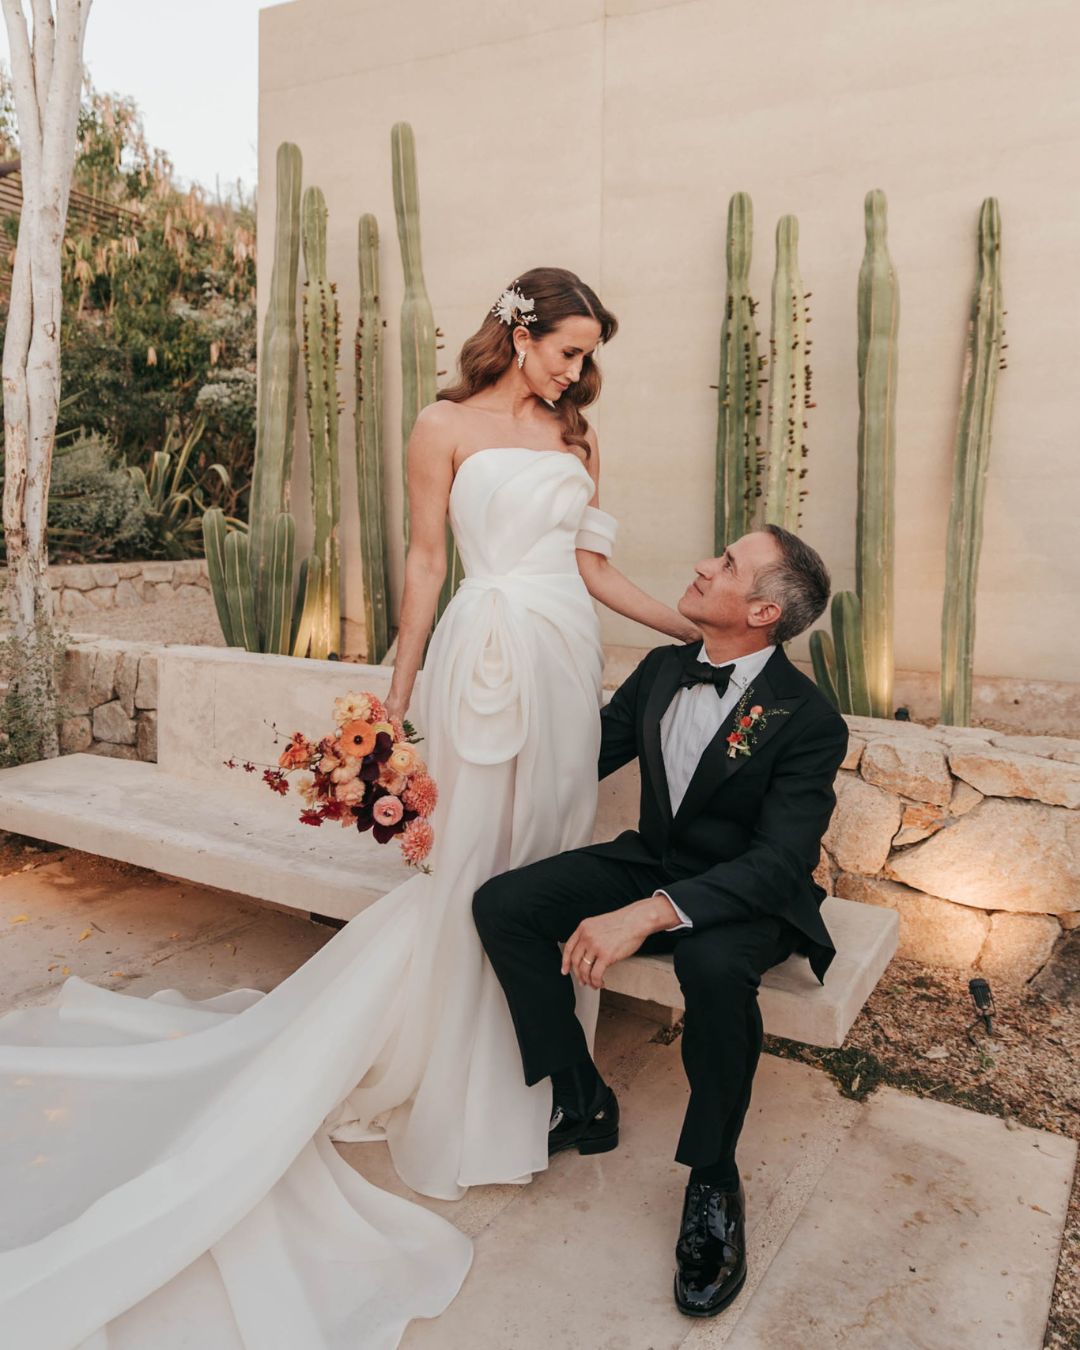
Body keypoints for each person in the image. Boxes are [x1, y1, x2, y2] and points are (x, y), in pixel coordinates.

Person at [0, 268, 697, 1348]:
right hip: (480, 664)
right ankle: (463, 1083)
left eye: (586, 354)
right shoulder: (440, 426)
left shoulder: (579, 434)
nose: (579, 370)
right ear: (519, 337)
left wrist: (691, 635)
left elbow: (595, 571)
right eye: (567, 350)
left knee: (545, 863)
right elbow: (426, 565)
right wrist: (395, 705)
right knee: (471, 869)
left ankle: (550, 1077)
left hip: (565, 665)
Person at [474, 525, 847, 1319]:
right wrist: (453, 755)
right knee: (502, 906)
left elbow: (780, 861)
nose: (702, 566)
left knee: (711, 970)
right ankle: (582, 1098)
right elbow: (578, 756)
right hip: (657, 857)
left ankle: (714, 1177)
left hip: (747, 891)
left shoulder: (806, 717)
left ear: (762, 611)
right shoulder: (662, 669)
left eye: (726, 566)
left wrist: (647, 916)